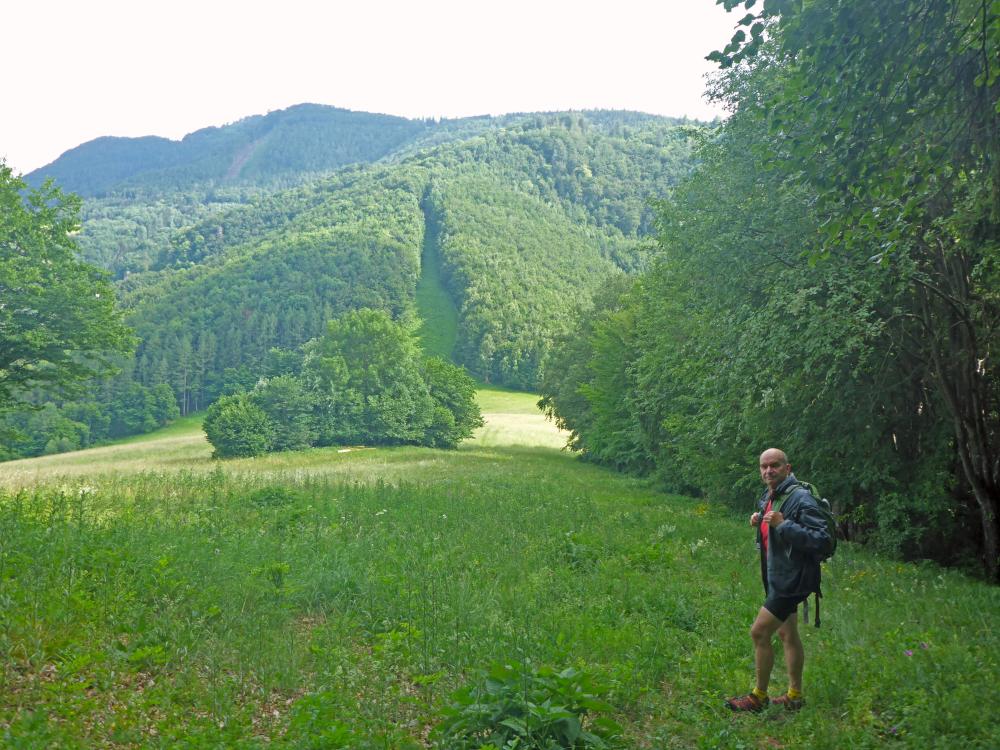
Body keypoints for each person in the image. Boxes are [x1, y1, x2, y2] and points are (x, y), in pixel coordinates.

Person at [726, 448, 831, 712]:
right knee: (787, 632)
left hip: (791, 580)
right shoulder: (773, 494)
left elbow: (822, 540)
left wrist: (783, 525)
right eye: (764, 466)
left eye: (774, 465)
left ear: (788, 467)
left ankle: (757, 697)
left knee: (759, 632)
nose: (768, 471)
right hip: (778, 575)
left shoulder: (801, 498)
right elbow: (773, 528)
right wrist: (759, 520)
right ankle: (794, 696)